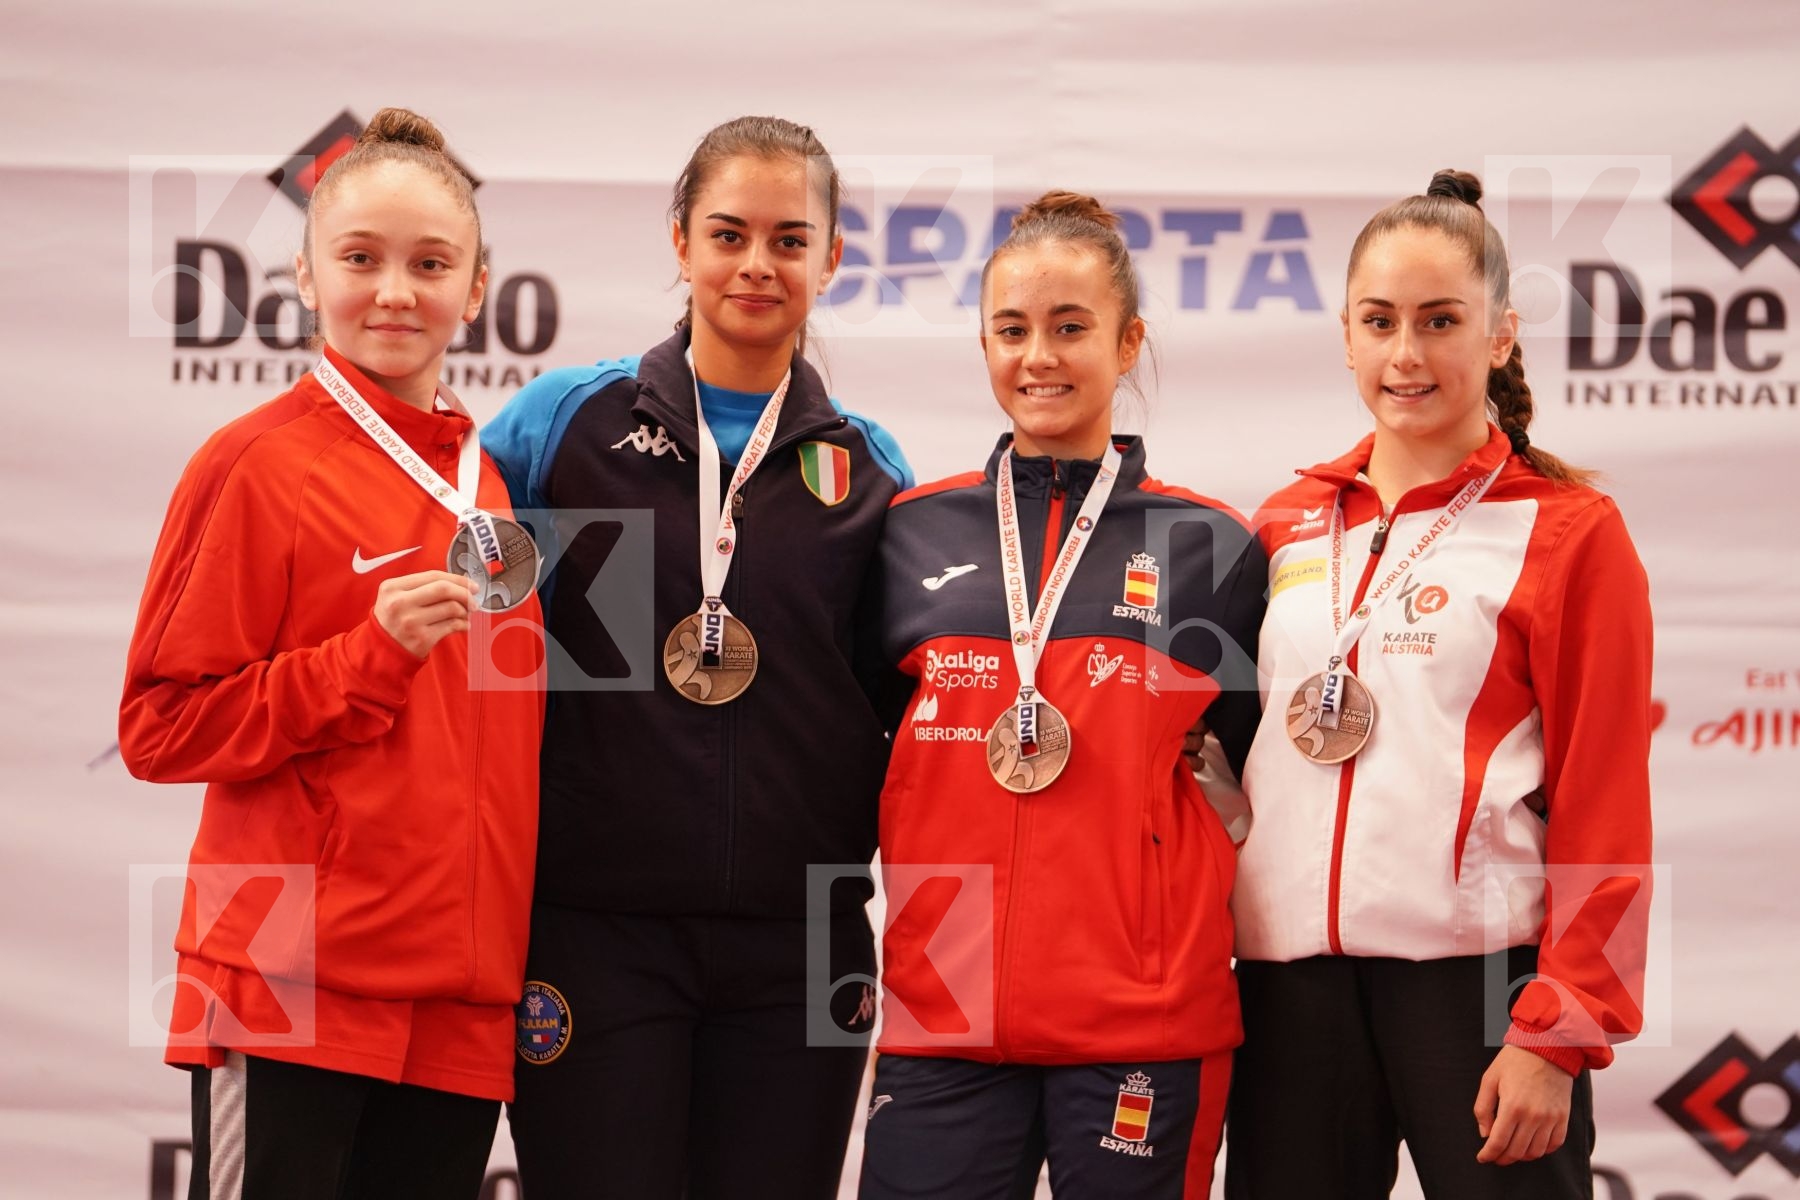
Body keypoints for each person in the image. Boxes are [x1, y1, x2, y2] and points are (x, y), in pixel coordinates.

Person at [483, 115, 913, 1199]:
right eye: (728, 234)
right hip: (594, 931)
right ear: (680, 242)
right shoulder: (561, 427)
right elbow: (463, 632)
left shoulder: (870, 471)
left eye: (789, 239)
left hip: (803, 945)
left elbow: (900, 706)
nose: (757, 264)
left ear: (832, 257)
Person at [119, 108, 543, 1197]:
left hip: (458, 1002)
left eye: (430, 264)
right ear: (305, 278)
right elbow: (159, 728)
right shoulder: (254, 463)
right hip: (289, 986)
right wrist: (364, 659)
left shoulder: (488, 486)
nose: (394, 291)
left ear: (476, 290)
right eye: (359, 259)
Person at [1226, 170, 1655, 1199]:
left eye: (1440, 321)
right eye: (1380, 321)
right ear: (1346, 335)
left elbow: (1605, 798)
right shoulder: (1285, 523)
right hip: (1290, 989)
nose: (1406, 354)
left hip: (1484, 988)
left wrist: (1558, 1030)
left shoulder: (1567, 532)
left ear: (1500, 334)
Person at [857, 192, 1268, 1199]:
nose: (1038, 356)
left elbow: (1250, 779)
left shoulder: (1210, 547)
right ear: (984, 345)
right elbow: (867, 756)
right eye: (1012, 330)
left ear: (1128, 344)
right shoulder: (909, 532)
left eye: (1071, 328)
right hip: (945, 1016)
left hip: (1142, 1022)